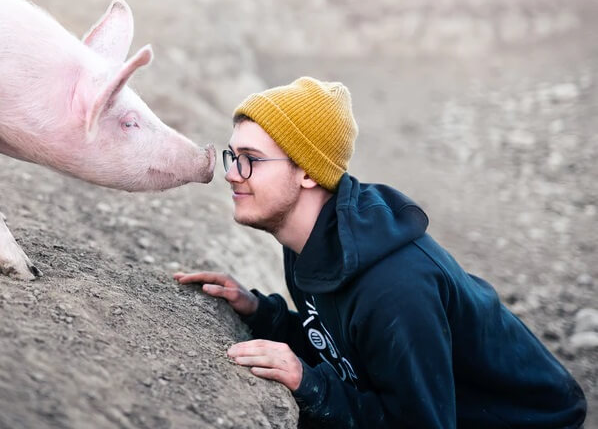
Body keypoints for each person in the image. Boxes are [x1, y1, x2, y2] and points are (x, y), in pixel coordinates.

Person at [174, 77, 587, 428]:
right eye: (233, 155)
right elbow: (347, 346)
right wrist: (264, 316)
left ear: (307, 173)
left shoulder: (394, 289)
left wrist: (313, 386)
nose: (230, 173)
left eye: (251, 159)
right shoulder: (309, 243)